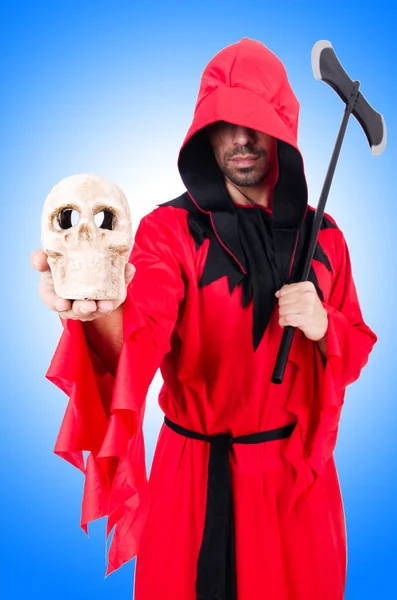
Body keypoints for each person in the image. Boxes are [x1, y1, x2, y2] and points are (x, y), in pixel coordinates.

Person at [31, 38, 377, 600]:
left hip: (296, 486)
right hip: (192, 475)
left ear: (282, 131)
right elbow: (142, 328)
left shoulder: (327, 236)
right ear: (204, 133)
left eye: (255, 124)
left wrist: (322, 326)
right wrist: (95, 310)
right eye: (226, 124)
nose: (241, 140)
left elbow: (356, 347)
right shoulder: (170, 232)